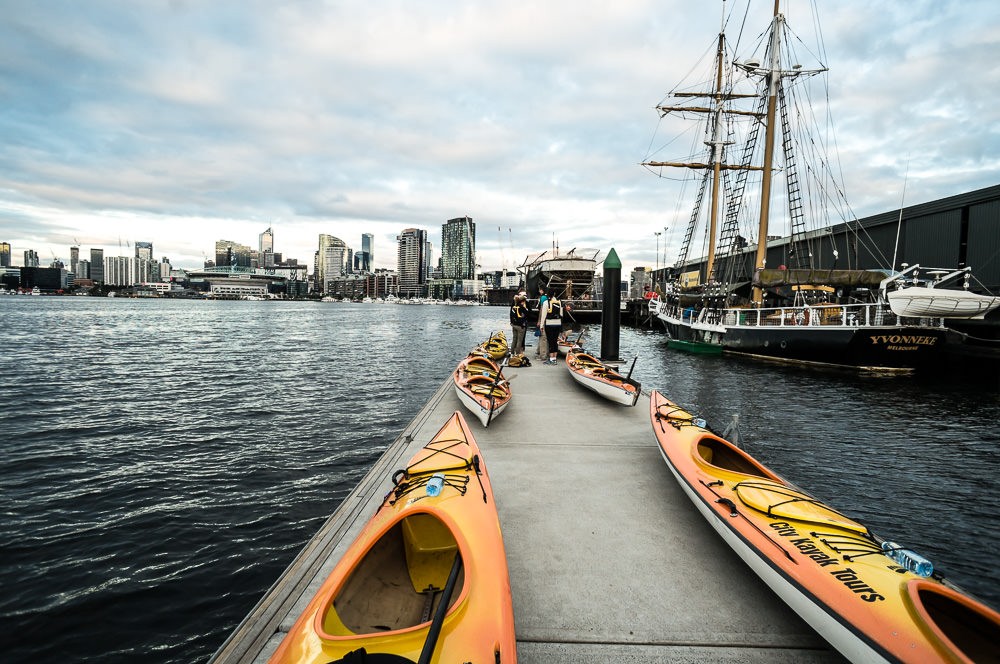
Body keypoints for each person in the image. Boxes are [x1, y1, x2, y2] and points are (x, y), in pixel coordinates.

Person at [539, 289, 563, 365]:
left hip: (549, 324)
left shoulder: (546, 303)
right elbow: (561, 314)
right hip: (558, 323)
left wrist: (541, 325)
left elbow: (543, 316)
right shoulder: (559, 302)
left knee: (550, 341)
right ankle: (554, 359)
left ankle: (551, 359)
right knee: (555, 341)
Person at [535, 286, 549, 360]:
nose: (539, 291)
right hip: (549, 321)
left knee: (542, 336)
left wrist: (539, 321)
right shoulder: (548, 298)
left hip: (543, 319)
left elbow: (541, 310)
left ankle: (542, 354)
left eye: (540, 289)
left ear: (542, 290)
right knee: (545, 337)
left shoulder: (542, 298)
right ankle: (539, 351)